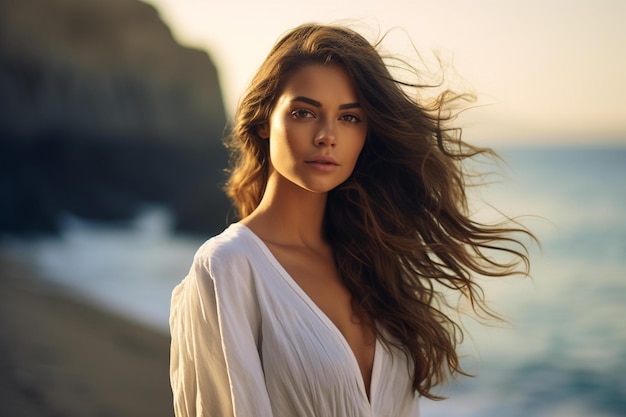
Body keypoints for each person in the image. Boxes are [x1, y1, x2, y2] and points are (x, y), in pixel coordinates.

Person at [169, 23, 533, 417]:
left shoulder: (371, 262)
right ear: (263, 121)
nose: (327, 135)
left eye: (349, 118)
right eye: (304, 112)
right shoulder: (228, 267)